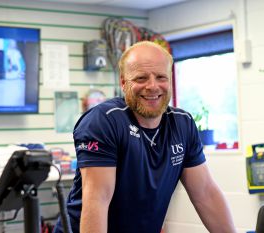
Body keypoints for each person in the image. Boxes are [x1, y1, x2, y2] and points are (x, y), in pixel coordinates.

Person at [53, 41, 236, 233]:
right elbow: (98, 200)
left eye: (161, 77)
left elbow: (205, 192)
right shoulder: (104, 121)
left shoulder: (182, 124)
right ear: (123, 83)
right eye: (141, 78)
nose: (152, 86)